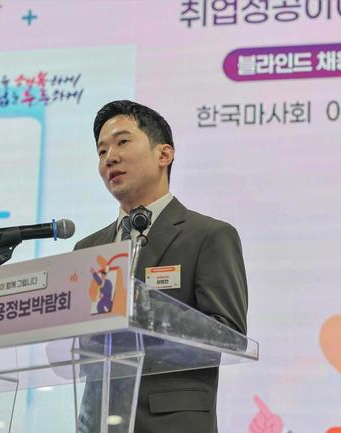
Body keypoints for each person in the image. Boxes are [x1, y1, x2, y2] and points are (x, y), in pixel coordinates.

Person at [74, 100, 248, 433]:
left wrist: (145, 312)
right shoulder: (88, 250)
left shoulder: (209, 236)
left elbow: (229, 336)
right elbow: (81, 350)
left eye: (123, 142)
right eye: (101, 151)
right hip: (99, 422)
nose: (110, 158)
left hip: (172, 421)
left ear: (164, 154)